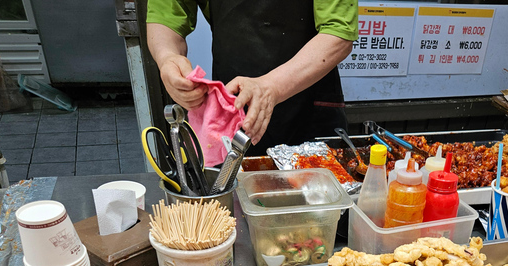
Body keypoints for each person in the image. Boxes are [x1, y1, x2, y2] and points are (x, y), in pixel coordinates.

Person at [146, 0, 357, 155]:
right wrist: (168, 58)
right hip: (236, 104)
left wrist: (271, 87)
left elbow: (338, 32)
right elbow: (166, 17)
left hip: (309, 107)